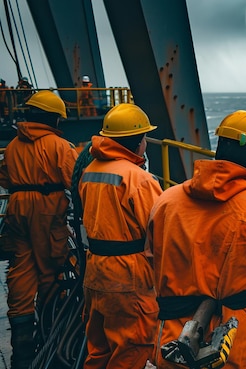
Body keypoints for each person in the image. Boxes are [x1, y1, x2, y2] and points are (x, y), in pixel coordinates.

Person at [147, 110, 246, 368]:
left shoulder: (166, 201)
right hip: (235, 345)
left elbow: (152, 260)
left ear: (219, 147)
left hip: (173, 342)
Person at [79, 103, 162, 368]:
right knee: (132, 346)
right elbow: (159, 229)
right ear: (139, 141)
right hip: (128, 276)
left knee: (99, 348)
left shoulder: (89, 171)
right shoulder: (139, 179)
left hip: (95, 270)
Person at [0, 90, 77, 369]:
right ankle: (51, 335)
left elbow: (6, 177)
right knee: (51, 271)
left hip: (17, 209)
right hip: (46, 210)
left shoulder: (12, 146)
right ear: (55, 119)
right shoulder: (59, 145)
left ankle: (21, 348)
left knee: (21, 269)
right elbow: (75, 182)